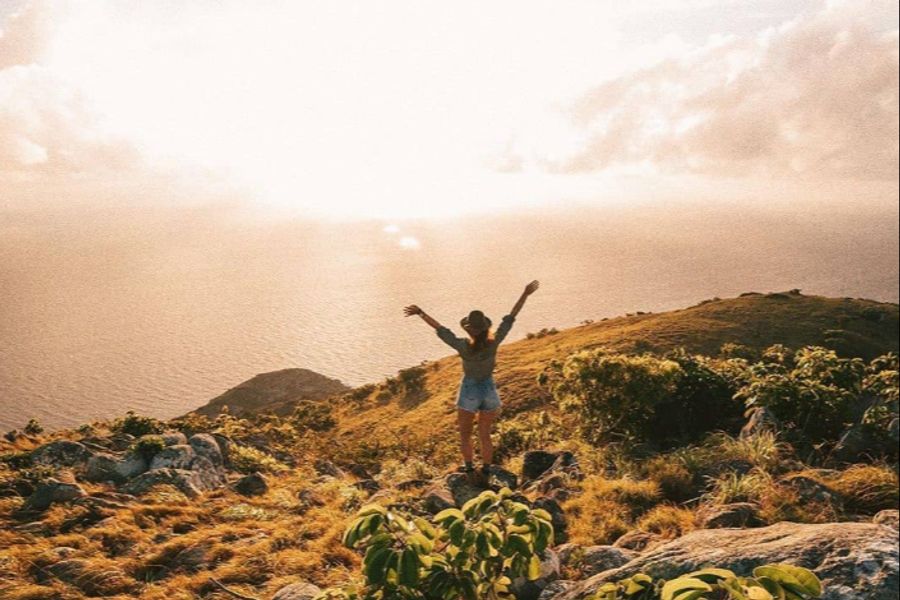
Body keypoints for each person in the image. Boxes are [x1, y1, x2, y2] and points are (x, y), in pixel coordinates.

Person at [404, 280, 540, 485]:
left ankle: (469, 471)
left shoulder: (462, 346)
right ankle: (486, 471)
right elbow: (511, 317)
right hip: (489, 389)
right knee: (485, 434)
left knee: (465, 434)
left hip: (469, 389)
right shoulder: (495, 341)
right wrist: (525, 294)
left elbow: (441, 329)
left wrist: (421, 313)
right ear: (486, 327)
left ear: (469, 329)